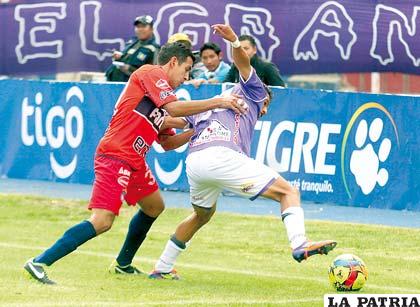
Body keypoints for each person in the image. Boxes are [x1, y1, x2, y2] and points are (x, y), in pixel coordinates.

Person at [24, 42, 245, 284]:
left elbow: (168, 144)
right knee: (102, 221)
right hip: (115, 155)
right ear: (172, 62)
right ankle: (40, 261)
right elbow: (174, 108)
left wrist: (199, 128)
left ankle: (123, 264)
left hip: (134, 160)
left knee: (154, 207)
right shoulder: (151, 73)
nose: (186, 77)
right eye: (186, 69)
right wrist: (218, 102)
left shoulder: (159, 103)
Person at [149, 24, 337, 280]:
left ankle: (162, 266)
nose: (264, 110)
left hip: (195, 162)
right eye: (266, 105)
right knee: (288, 192)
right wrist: (235, 42)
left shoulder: (205, 107)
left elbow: (168, 131)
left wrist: (147, 119)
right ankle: (299, 244)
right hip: (222, 157)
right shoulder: (254, 91)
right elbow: (242, 63)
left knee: (201, 215)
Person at [105, 15, 160, 82]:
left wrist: (129, 69)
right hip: (115, 83)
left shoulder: (154, 49)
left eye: (143, 26)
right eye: (138, 27)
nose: (140, 29)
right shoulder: (131, 43)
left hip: (132, 88)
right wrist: (119, 57)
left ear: (151, 29)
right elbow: (124, 60)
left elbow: (153, 74)